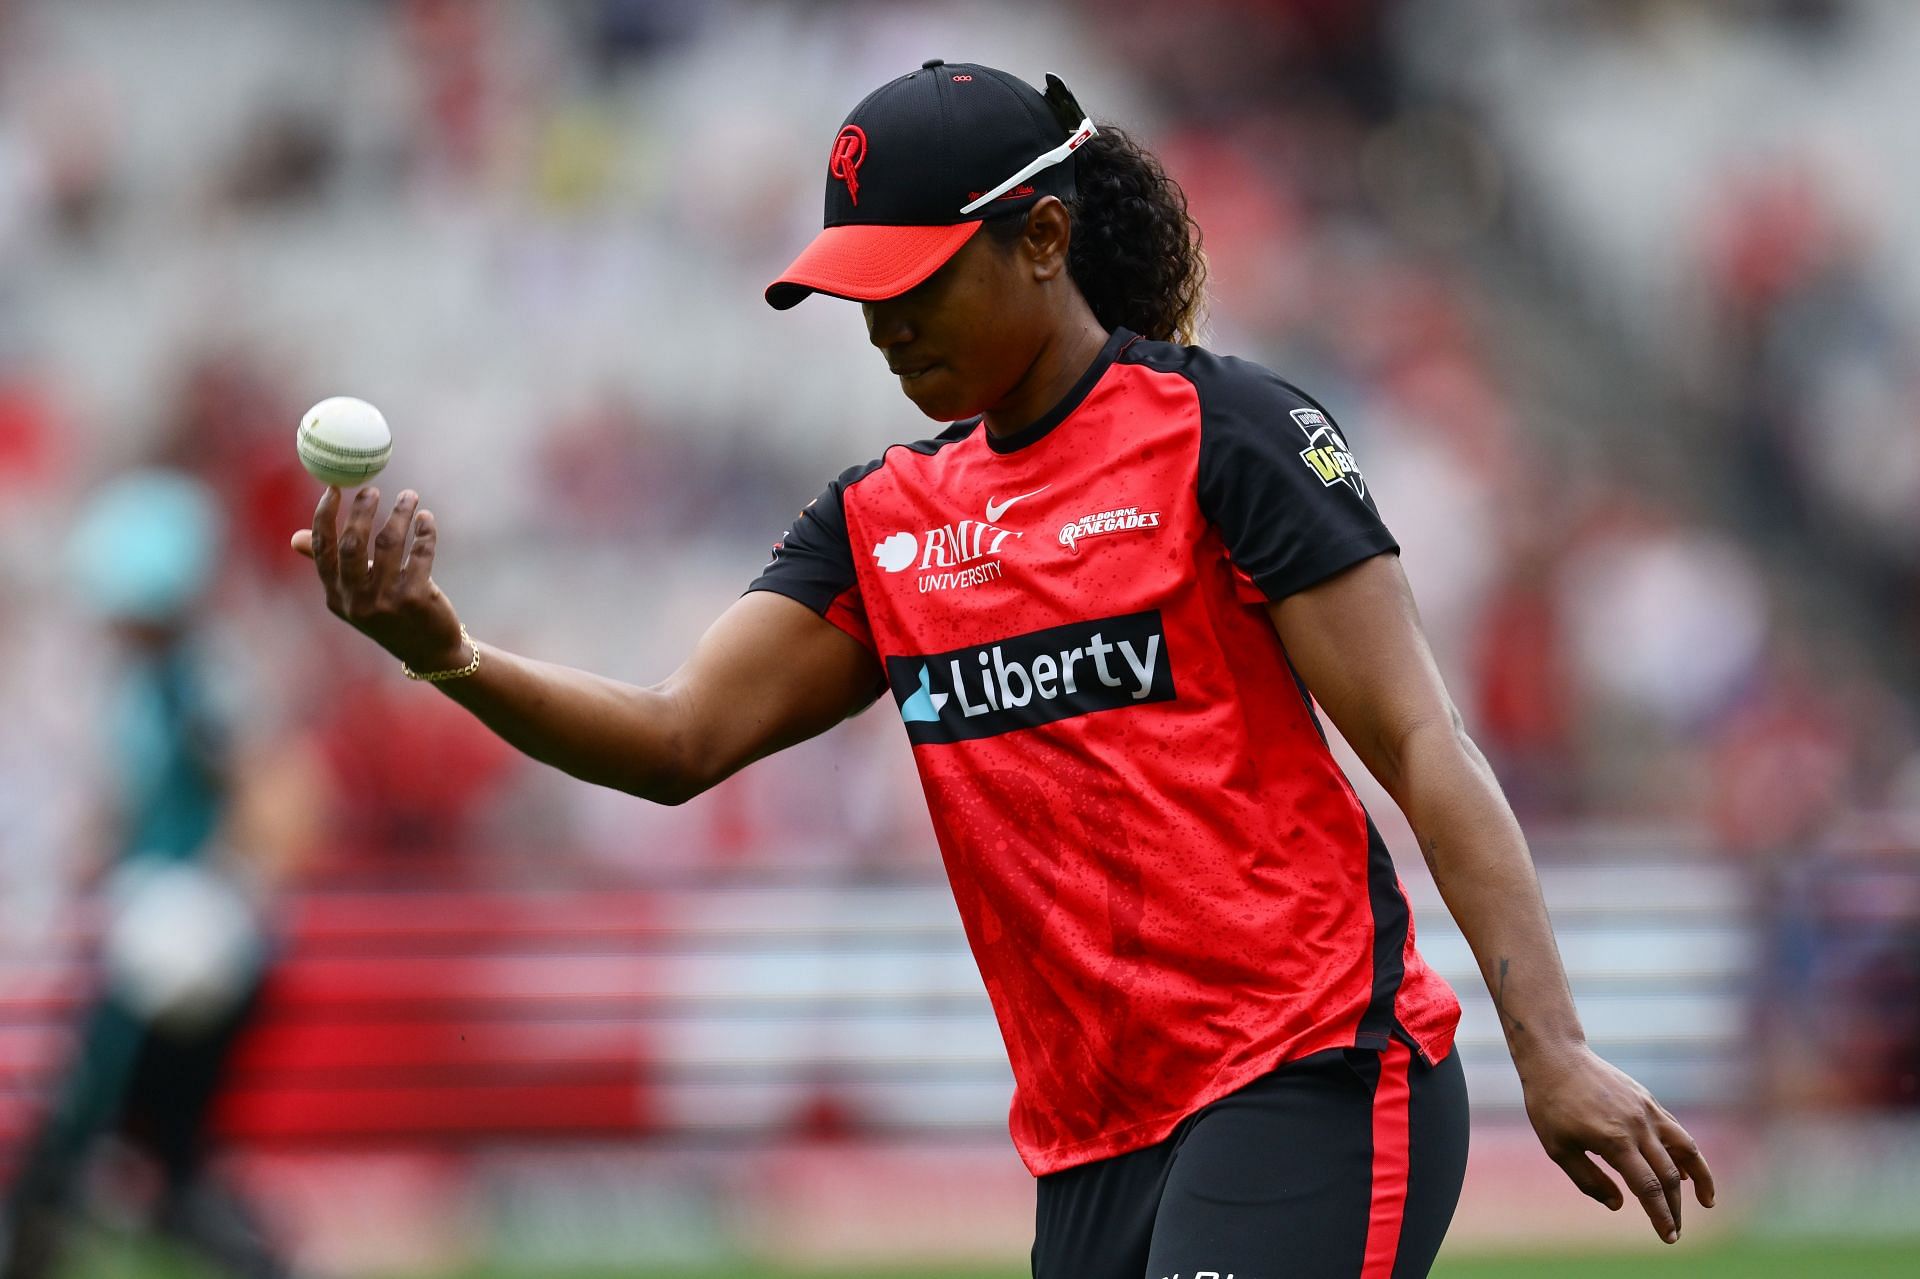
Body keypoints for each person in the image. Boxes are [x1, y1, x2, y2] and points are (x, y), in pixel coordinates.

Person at [294, 62, 1714, 1279]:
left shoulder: (1232, 434)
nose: (884, 324)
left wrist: (1553, 1046)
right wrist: (449, 652)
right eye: (857, 293)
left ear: (1041, 237)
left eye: (912, 280)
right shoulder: (873, 520)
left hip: (1311, 1073)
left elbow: (1421, 740)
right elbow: (677, 738)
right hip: (1091, 1141)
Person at [4, 471, 296, 1279]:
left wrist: (223, 886)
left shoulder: (199, 682)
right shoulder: (152, 680)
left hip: (183, 947)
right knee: (167, 1162)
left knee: (73, 1138)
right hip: (169, 939)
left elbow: (268, 798)